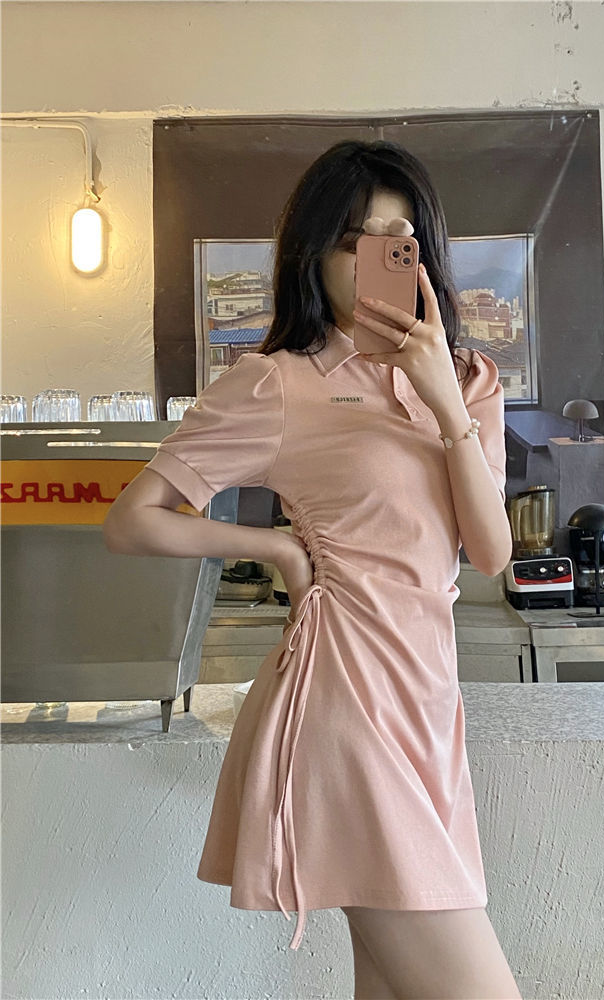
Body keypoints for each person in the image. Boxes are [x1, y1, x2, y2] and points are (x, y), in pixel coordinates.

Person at [103, 139, 521, 1000]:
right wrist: (280, 548)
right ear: (314, 254)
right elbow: (132, 520)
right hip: (342, 704)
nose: (376, 257)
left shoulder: (470, 381)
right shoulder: (278, 385)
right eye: (351, 239)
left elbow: (489, 553)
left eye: (398, 238)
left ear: (424, 254)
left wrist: (441, 397)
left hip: (427, 709)